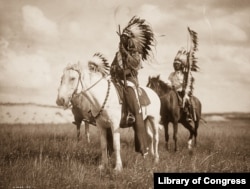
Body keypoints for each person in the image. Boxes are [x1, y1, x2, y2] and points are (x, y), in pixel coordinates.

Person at [110, 16, 155, 156]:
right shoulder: (118, 54)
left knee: (134, 105)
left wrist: (125, 59)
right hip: (117, 80)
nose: (122, 40)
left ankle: (142, 144)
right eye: (121, 37)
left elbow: (135, 67)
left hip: (130, 81)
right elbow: (112, 66)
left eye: (125, 38)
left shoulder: (135, 53)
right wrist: (114, 70)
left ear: (129, 40)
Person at [167, 47, 193, 121]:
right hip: (173, 91)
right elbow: (168, 82)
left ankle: (188, 115)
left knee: (186, 100)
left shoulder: (186, 74)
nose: (175, 66)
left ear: (181, 65)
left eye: (177, 64)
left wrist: (184, 88)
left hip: (183, 91)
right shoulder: (172, 74)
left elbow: (188, 83)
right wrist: (171, 86)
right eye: (174, 64)